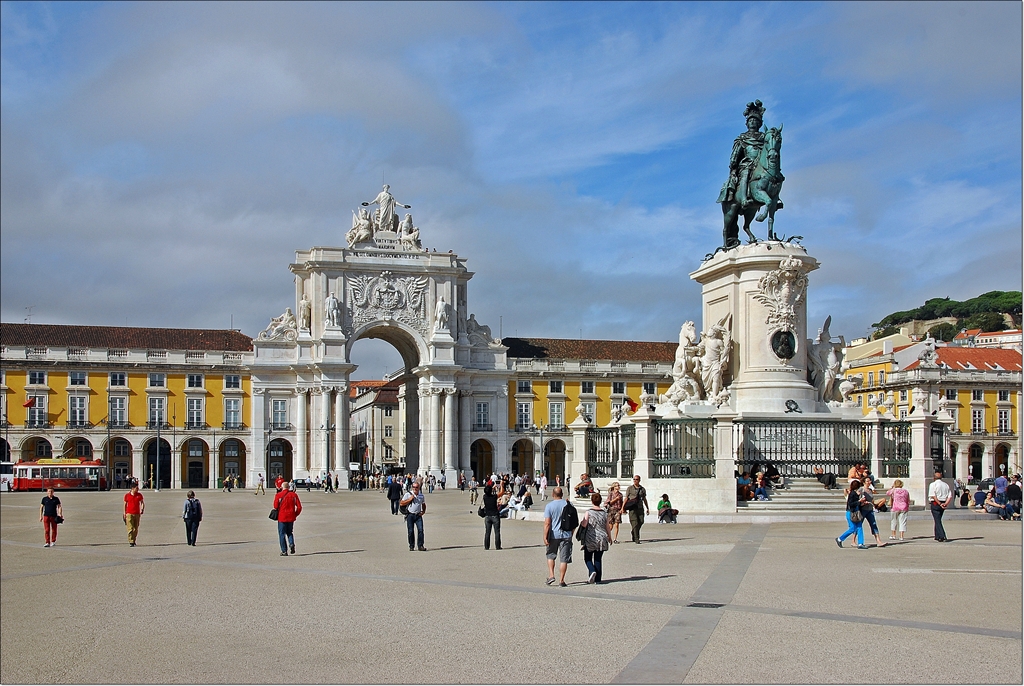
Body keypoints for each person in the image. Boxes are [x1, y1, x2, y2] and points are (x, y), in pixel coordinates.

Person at [543, 487, 573, 586]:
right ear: (562, 494)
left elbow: (547, 523)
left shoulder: (549, 506)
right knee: (564, 559)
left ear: (553, 494)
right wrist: (571, 532)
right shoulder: (569, 504)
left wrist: (545, 536)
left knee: (551, 555)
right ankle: (561, 580)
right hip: (566, 534)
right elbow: (574, 521)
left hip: (553, 534)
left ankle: (551, 575)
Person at [580, 493, 611, 584]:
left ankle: (592, 571)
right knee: (598, 559)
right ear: (600, 501)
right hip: (602, 537)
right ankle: (598, 579)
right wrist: (610, 537)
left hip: (591, 537)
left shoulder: (588, 512)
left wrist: (582, 522)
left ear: (592, 501)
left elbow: (584, 524)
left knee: (588, 558)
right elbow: (607, 526)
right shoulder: (604, 513)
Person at [836, 479, 867, 549]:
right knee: (852, 528)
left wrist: (862, 503)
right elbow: (851, 504)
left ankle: (860, 543)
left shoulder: (854, 493)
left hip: (854, 512)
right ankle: (840, 539)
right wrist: (859, 501)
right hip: (851, 513)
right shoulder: (852, 494)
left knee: (859, 527)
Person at [273, 482, 302, 556]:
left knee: (282, 534)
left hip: (282, 517)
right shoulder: (294, 495)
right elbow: (299, 507)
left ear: (282, 487)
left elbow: (275, 506)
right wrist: (295, 514)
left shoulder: (278, 495)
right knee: (289, 532)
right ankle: (291, 544)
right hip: (291, 516)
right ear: (289, 487)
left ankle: (284, 551)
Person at [400, 481, 427, 551]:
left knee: (421, 530)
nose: (415, 488)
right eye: (414, 487)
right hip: (410, 515)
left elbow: (423, 504)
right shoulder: (408, 494)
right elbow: (401, 503)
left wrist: (423, 511)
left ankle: (420, 545)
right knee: (410, 531)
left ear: (419, 488)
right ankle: (411, 545)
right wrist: (410, 499)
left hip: (418, 515)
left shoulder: (421, 496)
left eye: (416, 487)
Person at [624, 475, 650, 543]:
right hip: (632, 508)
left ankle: (633, 531)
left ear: (639, 480)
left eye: (637, 479)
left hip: (640, 507)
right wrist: (622, 508)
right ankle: (636, 538)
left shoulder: (642, 489)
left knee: (641, 521)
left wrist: (647, 508)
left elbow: (644, 499)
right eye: (634, 479)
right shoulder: (630, 488)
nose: (635, 480)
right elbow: (626, 498)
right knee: (634, 523)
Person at [928, 471, 952, 542]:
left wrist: (939, 503)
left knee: (937, 520)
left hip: (936, 503)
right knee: (937, 519)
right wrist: (945, 504)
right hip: (943, 502)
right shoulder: (946, 485)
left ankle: (942, 535)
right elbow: (949, 496)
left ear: (934, 478)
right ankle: (937, 535)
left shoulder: (933, 484)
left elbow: (933, 495)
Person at [859, 482, 885, 547]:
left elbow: (872, 500)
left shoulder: (870, 490)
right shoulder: (861, 489)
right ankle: (853, 540)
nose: (869, 482)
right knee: (858, 525)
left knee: (873, 524)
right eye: (867, 481)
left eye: (870, 481)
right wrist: (862, 502)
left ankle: (878, 541)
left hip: (870, 510)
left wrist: (874, 506)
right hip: (863, 510)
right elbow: (858, 499)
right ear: (864, 482)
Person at [482, 482, 502, 550]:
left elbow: (487, 492)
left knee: (487, 532)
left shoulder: (484, 497)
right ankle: (498, 546)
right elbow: (502, 492)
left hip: (487, 516)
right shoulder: (494, 497)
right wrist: (501, 485)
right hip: (495, 516)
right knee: (497, 532)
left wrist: (491, 488)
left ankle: (486, 546)